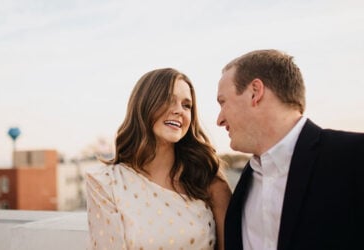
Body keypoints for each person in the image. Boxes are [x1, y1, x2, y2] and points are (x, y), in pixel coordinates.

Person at [216, 49, 364, 250]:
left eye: (223, 102)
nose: (219, 119)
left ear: (255, 92)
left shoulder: (354, 157)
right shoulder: (241, 189)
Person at [86, 68, 232, 250]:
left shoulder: (209, 181)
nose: (179, 110)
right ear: (145, 105)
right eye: (169, 100)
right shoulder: (106, 183)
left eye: (187, 105)